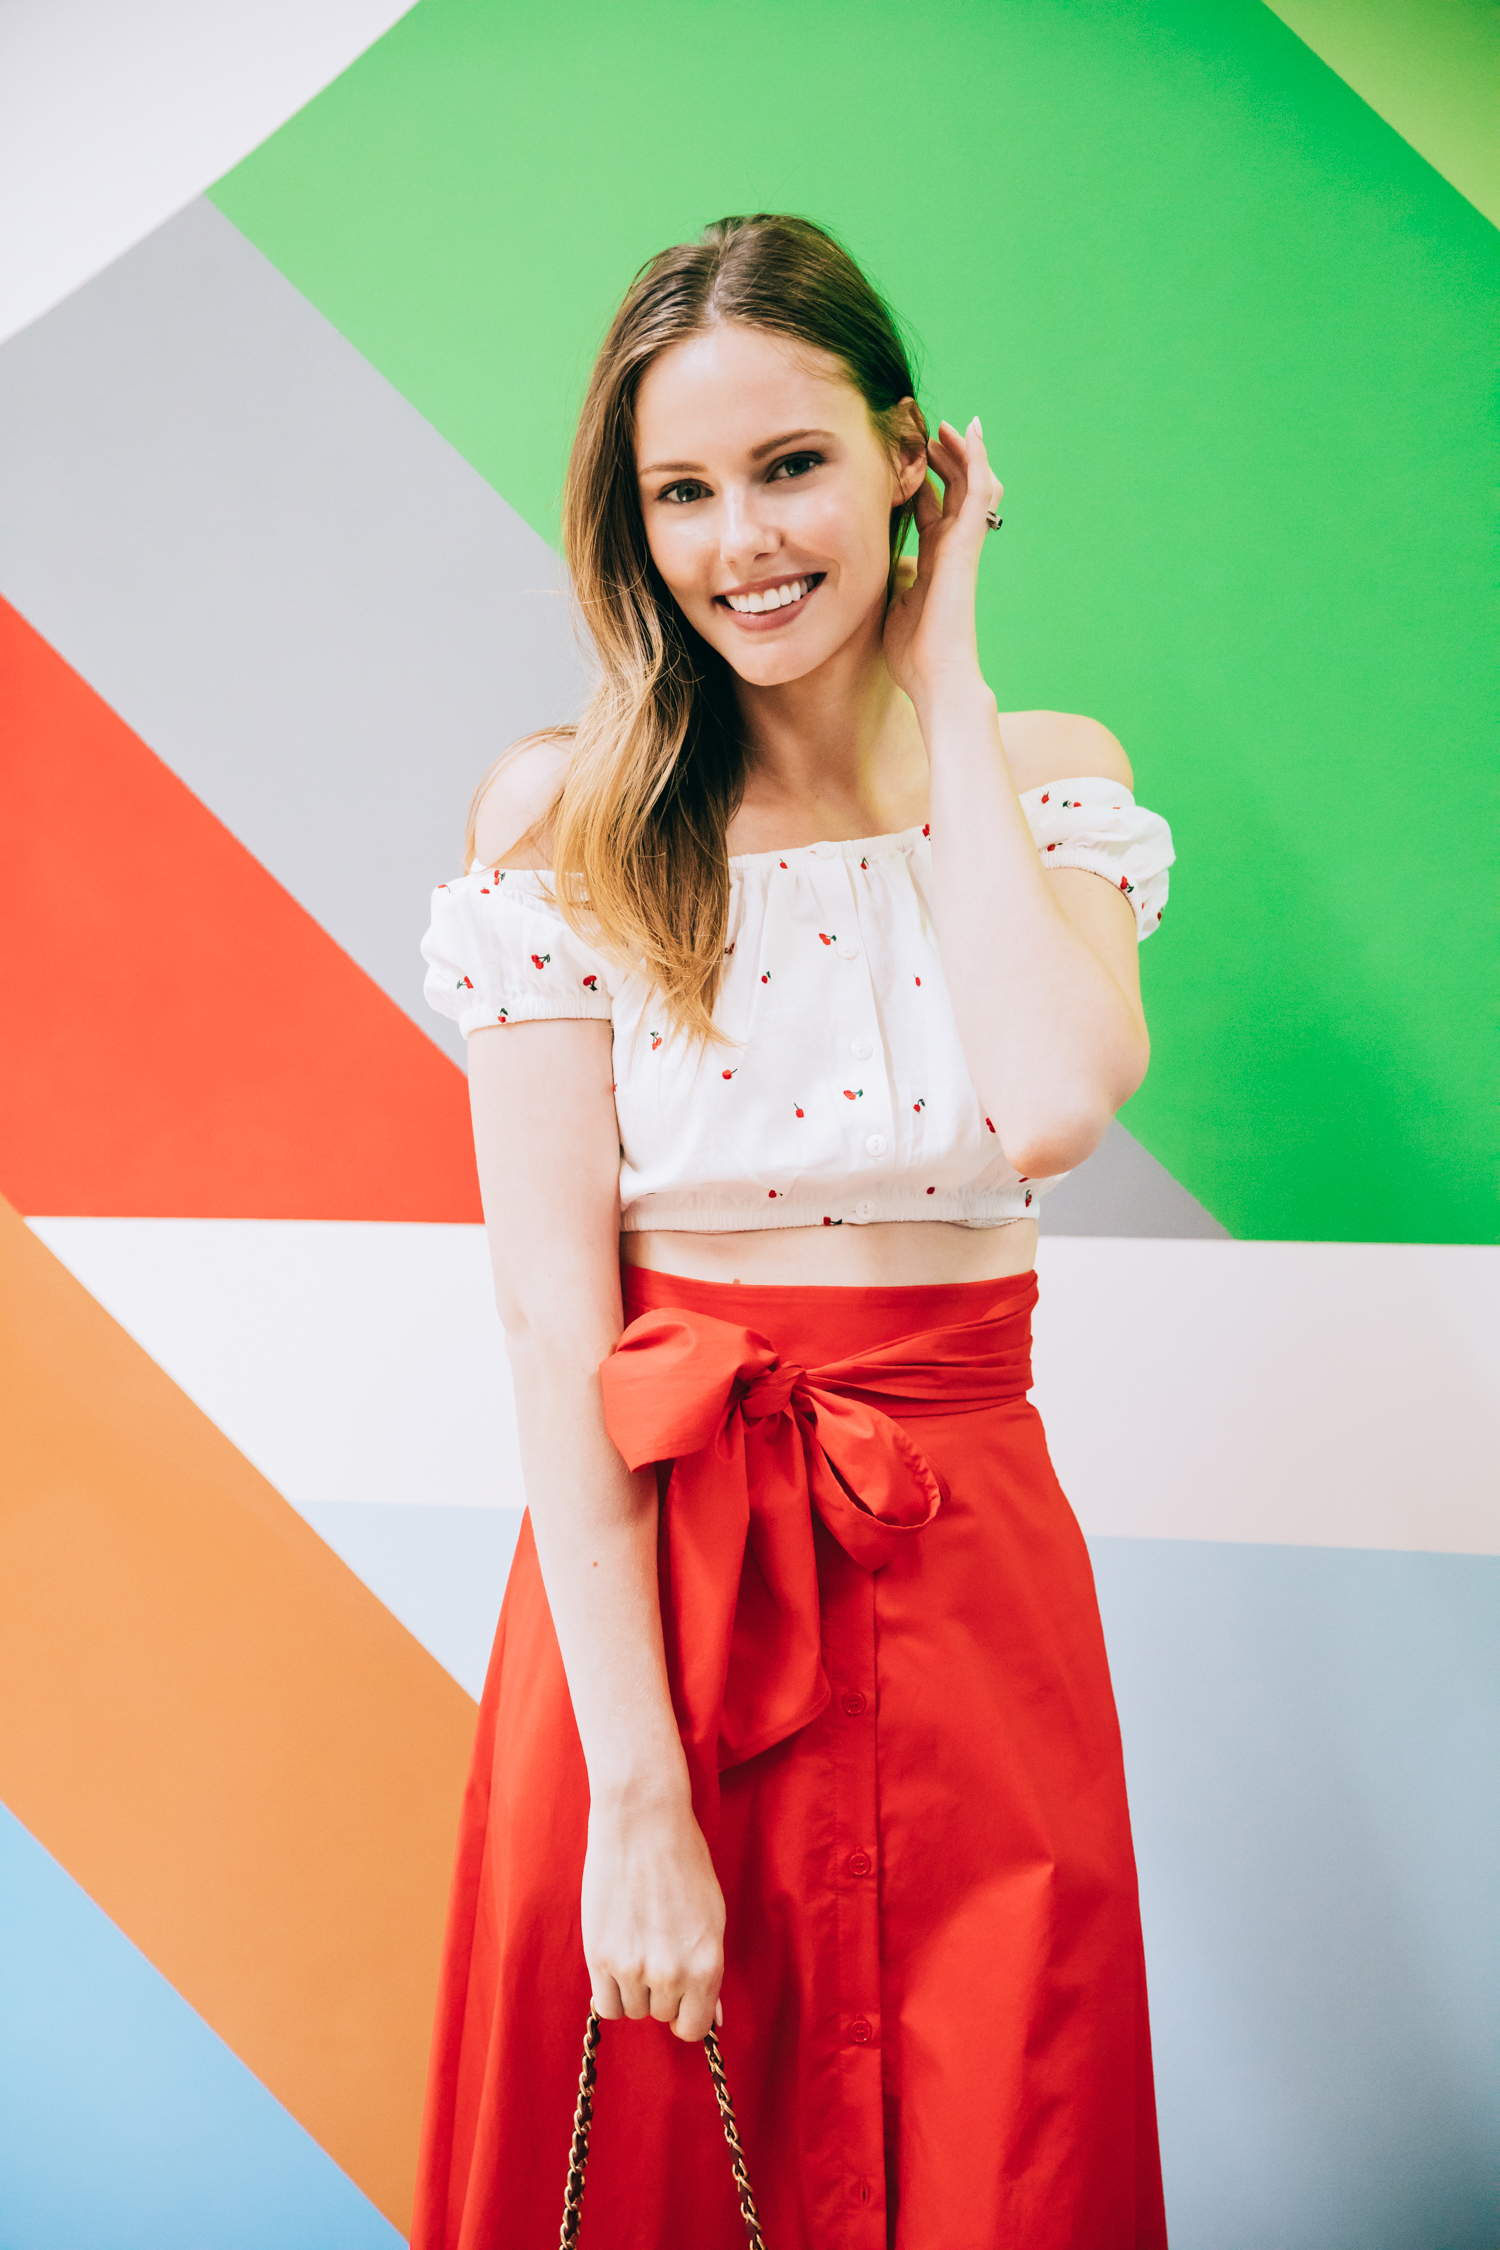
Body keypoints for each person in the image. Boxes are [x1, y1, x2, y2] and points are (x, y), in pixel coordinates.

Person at [414, 214, 1172, 2250]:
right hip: (660, 1604)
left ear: (911, 460)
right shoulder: (559, 823)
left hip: (970, 1578)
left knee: (1004, 2152)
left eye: (792, 465)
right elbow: (549, 1329)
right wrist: (633, 1796)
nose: (741, 539)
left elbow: (1050, 1101)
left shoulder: (1047, 782)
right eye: (682, 490)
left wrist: (948, 670)